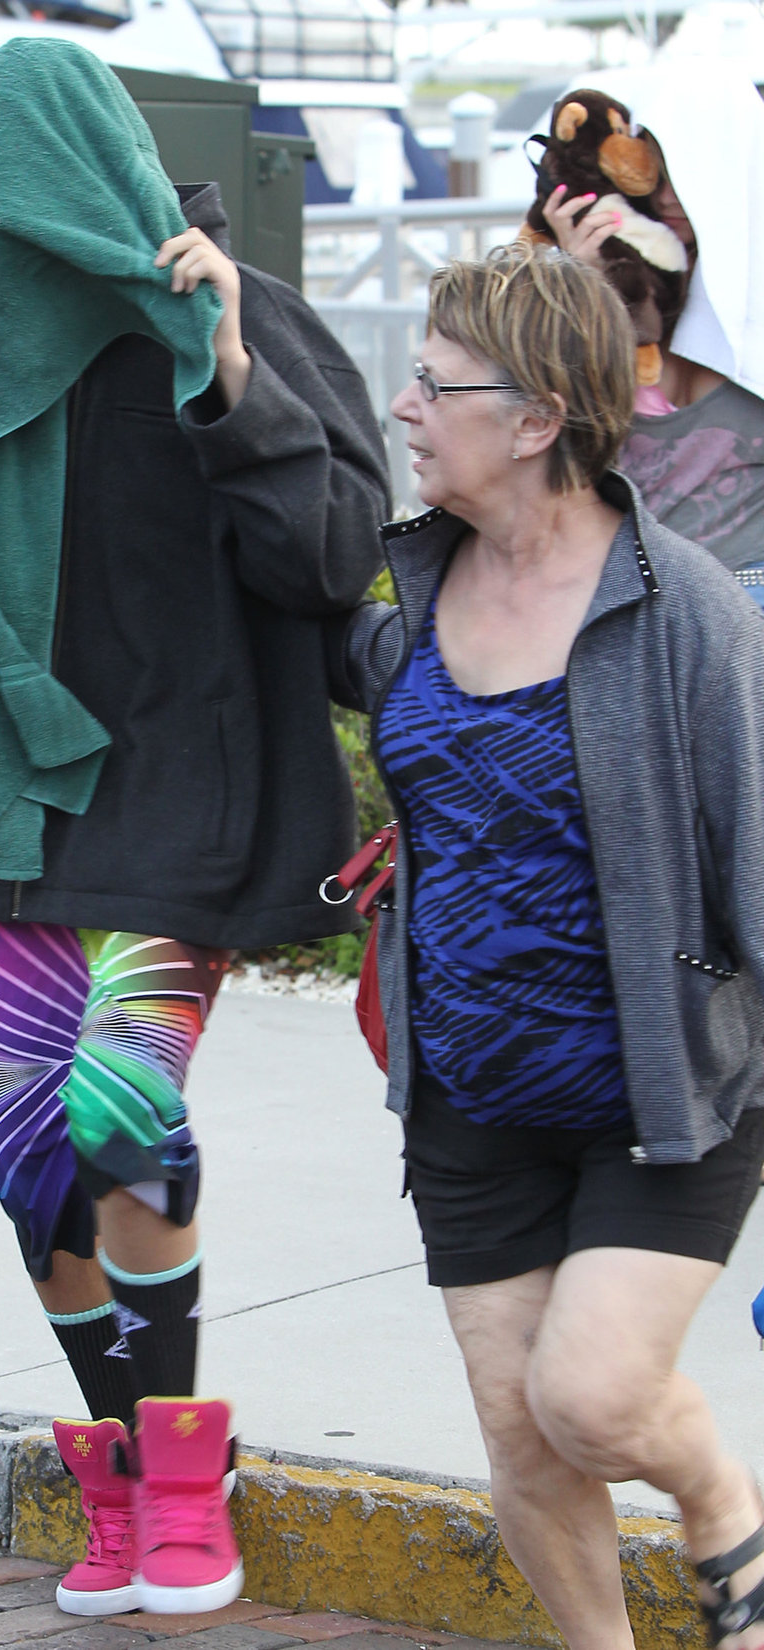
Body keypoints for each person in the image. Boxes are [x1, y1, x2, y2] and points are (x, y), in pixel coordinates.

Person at [0, 37, 388, 1620]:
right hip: (30, 802)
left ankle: (189, 1480)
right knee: (29, 1171)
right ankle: (118, 1474)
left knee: (124, 1116)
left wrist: (234, 369)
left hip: (190, 799)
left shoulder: (239, 303)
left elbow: (333, 559)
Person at [328, 242, 764, 1650]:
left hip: (662, 1088)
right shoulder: (415, 592)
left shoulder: (684, 607)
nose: (404, 406)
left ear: (532, 421)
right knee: (524, 1440)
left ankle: (725, 1513)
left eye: (432, 383)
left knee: (595, 1398)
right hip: (471, 1090)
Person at [533, 62, 764, 603]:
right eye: (653, 175)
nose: (665, 198)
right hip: (632, 601)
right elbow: (547, 437)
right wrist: (577, 287)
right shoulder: (616, 285)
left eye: (688, 173)